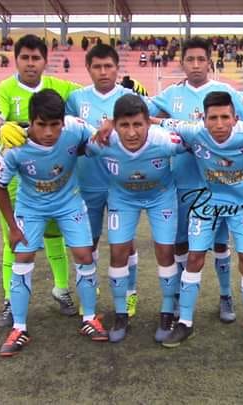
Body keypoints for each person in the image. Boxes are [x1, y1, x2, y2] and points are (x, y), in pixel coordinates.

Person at [147, 37, 243, 324]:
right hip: (182, 182)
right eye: (190, 59)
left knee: (221, 245)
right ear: (182, 63)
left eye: (201, 59)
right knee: (182, 244)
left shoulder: (226, 92)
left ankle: (225, 295)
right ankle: (177, 297)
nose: (196, 65)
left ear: (209, 62)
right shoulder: (171, 94)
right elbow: (144, 116)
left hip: (216, 187)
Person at [157, 91, 243, 354]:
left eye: (225, 117)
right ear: (203, 119)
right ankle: (185, 322)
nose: (220, 124)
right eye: (213, 118)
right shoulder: (193, 131)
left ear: (236, 119)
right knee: (194, 258)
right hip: (206, 204)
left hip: (242, 208)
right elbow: (157, 122)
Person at [0, 89, 109, 357]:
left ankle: (89, 318)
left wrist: (104, 132)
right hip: (31, 207)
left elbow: (93, 142)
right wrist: (13, 227)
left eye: (55, 125)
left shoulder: (75, 127)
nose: (49, 132)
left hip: (69, 202)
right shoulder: (12, 147)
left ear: (63, 121)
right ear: (31, 120)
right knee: (23, 257)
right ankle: (19, 328)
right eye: (41, 125)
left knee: (84, 254)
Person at [0, 34, 83, 327]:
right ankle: (9, 300)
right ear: (16, 60)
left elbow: (90, 98)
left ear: (45, 60)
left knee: (55, 235)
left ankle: (61, 290)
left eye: (36, 58)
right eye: (25, 58)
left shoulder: (61, 87)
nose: (30, 63)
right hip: (17, 180)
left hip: (54, 178)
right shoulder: (4, 89)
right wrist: (1, 127)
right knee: (15, 239)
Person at [86, 94, 186, 342]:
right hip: (123, 199)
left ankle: (167, 311)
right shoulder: (102, 142)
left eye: (138, 125)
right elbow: (72, 145)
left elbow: (196, 138)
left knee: (165, 251)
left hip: (161, 197)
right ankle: (121, 314)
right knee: (118, 252)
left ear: (148, 123)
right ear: (115, 124)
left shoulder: (164, 140)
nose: (131, 133)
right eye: (124, 125)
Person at [66, 44, 142, 319]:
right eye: (97, 66)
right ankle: (90, 288)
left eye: (108, 66)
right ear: (88, 69)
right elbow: (68, 133)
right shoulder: (76, 99)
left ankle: (130, 292)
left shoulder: (130, 98)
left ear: (117, 68)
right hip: (89, 182)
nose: (103, 72)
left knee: (126, 242)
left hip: (123, 184)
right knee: (90, 240)